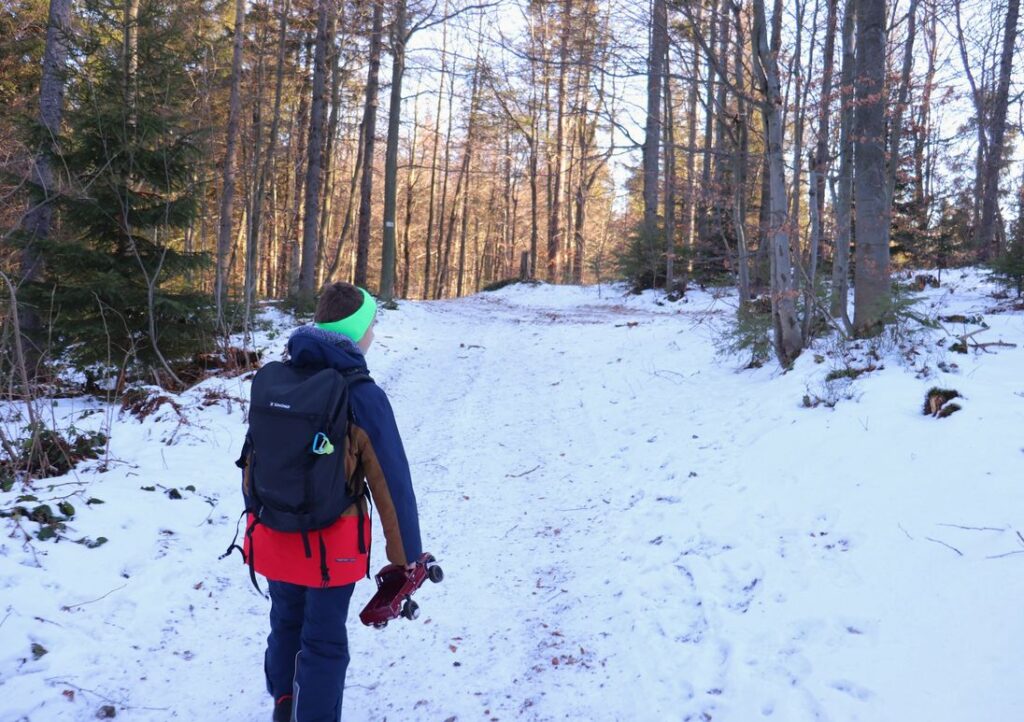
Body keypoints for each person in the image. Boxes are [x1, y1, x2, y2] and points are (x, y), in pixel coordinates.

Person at [243, 282, 422, 722]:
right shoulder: (362, 395)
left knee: (285, 622)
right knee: (323, 640)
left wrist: (262, 521)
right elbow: (392, 484)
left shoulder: (281, 380)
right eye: (371, 326)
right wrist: (407, 560)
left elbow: (253, 462)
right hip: (330, 546)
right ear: (356, 332)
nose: (374, 335)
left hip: (275, 532)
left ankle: (284, 706)